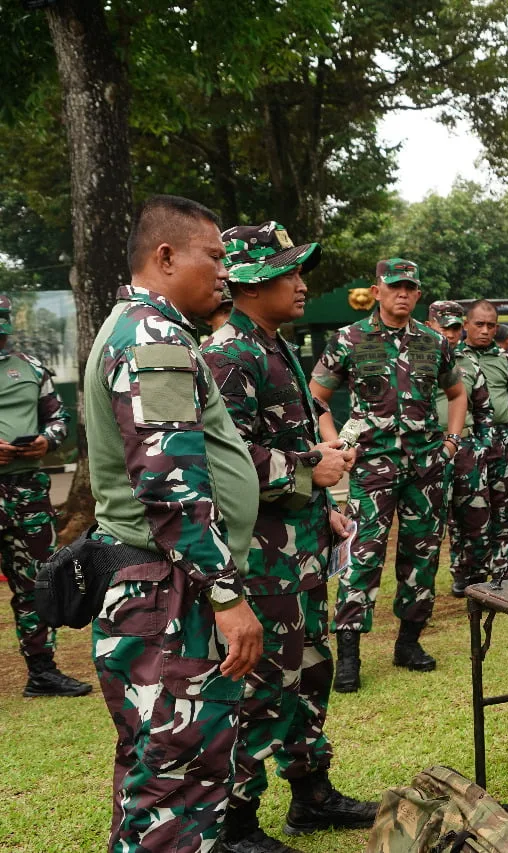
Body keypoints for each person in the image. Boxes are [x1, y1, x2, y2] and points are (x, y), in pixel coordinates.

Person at [85, 194, 264, 853]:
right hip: (171, 589)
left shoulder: (139, 328)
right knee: (178, 783)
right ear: (165, 257)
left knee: (153, 772)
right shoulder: (153, 339)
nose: (224, 272)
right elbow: (169, 483)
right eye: (213, 256)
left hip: (158, 583)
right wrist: (226, 594)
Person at [202, 222, 377, 852]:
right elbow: (221, 457)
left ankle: (311, 794)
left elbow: (279, 443)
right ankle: (237, 822)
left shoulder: (273, 345)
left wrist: (322, 494)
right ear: (251, 284)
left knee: (309, 668)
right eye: (287, 273)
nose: (302, 284)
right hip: (261, 557)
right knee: (262, 681)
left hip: (298, 547)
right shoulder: (230, 354)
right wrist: (310, 468)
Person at [309, 258, 465, 693]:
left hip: (426, 466)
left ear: (417, 294)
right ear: (377, 291)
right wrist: (335, 445)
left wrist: (451, 441)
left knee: (422, 554)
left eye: (410, 287)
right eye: (394, 286)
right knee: (362, 555)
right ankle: (350, 655)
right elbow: (317, 396)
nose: (402, 293)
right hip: (372, 467)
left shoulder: (434, 341)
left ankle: (409, 643)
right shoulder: (349, 339)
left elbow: (456, 392)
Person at [0, 294, 91, 698]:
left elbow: (58, 416)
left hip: (28, 492)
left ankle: (42, 672)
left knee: (35, 581)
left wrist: (45, 440)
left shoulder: (31, 369)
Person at [427, 300, 494, 596]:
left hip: (467, 448)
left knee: (475, 517)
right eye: (445, 328)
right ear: (430, 325)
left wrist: (480, 445)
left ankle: (476, 576)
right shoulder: (416, 360)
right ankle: (425, 588)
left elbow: (484, 409)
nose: (451, 335)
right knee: (432, 522)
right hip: (430, 448)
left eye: (456, 328)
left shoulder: (468, 363)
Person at [462, 299, 508, 584]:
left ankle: (504, 567)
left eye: (491, 325)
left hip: (502, 440)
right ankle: (470, 570)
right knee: (469, 507)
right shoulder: (452, 358)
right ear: (466, 325)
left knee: (504, 505)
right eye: (479, 324)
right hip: (468, 442)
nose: (485, 330)